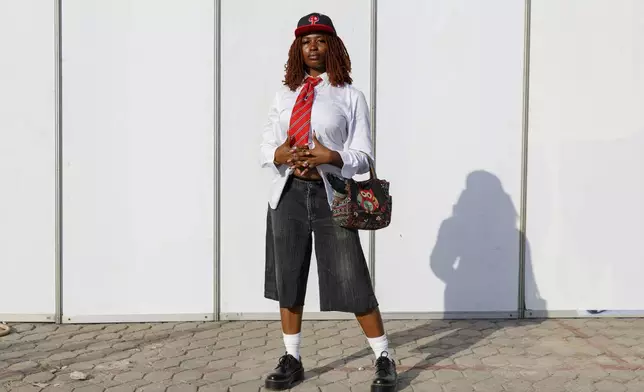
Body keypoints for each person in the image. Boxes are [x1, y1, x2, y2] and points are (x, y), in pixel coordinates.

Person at [259, 12, 398, 392]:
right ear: (297, 49)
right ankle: (293, 358)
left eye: (320, 39)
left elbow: (363, 155)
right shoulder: (284, 95)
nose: (313, 47)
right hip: (287, 195)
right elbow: (264, 147)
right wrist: (280, 153)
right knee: (288, 278)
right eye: (306, 41)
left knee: (350, 276)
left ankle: (384, 357)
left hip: (331, 196)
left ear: (332, 46)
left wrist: (331, 157)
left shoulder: (350, 96)